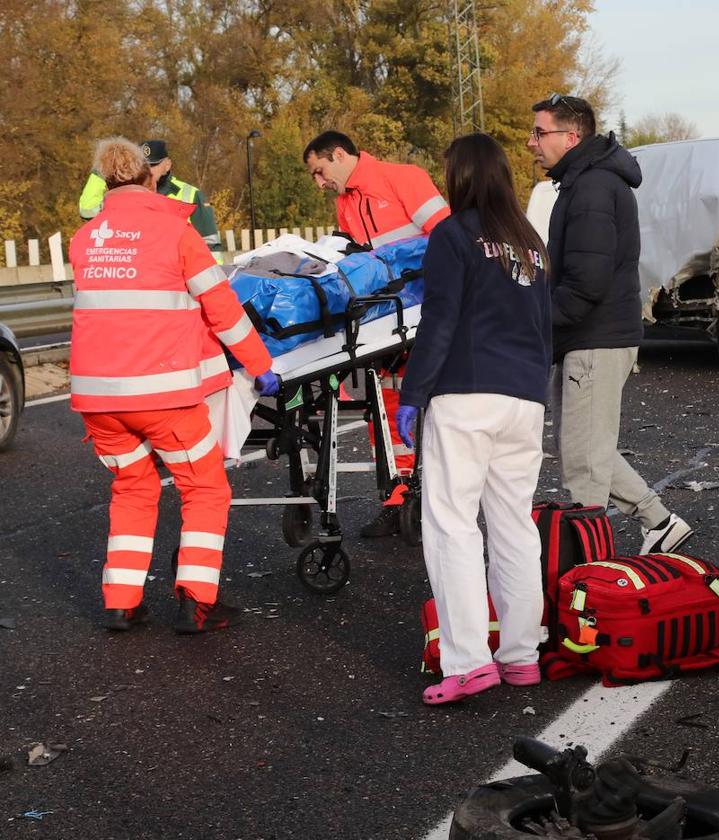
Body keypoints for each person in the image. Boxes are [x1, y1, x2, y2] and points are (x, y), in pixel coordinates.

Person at [69, 137, 281, 634]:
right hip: (162, 394)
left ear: (106, 183)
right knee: (204, 487)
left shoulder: (88, 237)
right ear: (151, 177)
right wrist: (260, 364)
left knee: (133, 487)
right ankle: (196, 601)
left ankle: (121, 602)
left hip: (97, 398)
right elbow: (222, 309)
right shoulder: (175, 231)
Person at [394, 133, 551, 705]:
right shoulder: (530, 242)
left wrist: (412, 395)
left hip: (465, 394)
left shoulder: (454, 235)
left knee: (452, 524)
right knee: (513, 525)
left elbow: (439, 323)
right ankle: (520, 655)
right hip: (525, 397)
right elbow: (544, 327)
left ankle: (466, 662)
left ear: (459, 176)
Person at [527, 93, 692, 553]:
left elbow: (587, 282)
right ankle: (659, 523)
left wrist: (539, 325)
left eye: (539, 133)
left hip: (594, 338)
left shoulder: (594, 187)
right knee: (581, 446)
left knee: (584, 462)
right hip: (588, 336)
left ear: (571, 135)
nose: (531, 142)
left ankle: (586, 574)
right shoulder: (583, 183)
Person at [303, 130, 450, 538]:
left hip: (425, 309)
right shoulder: (346, 202)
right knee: (383, 405)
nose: (319, 182)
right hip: (384, 318)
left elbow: (447, 237)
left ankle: (438, 500)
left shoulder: (403, 178)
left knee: (430, 406)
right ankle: (398, 496)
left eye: (320, 171)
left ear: (339, 155)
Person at [78, 139, 226, 264]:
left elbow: (210, 244)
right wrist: (102, 169)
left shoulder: (191, 195)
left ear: (167, 165)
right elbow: (87, 209)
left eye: (153, 165)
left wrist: (217, 277)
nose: (148, 170)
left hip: (182, 278)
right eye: (143, 165)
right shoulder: (127, 195)